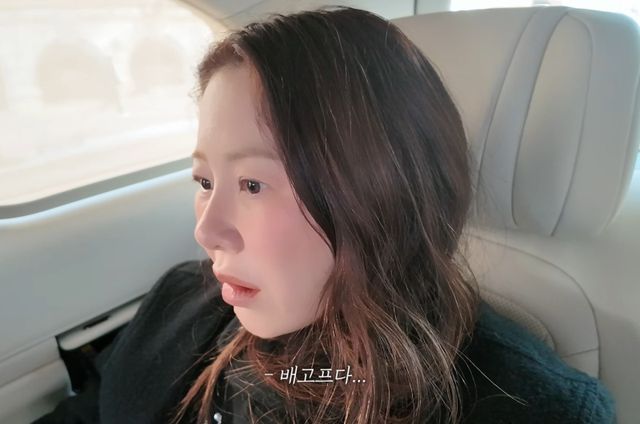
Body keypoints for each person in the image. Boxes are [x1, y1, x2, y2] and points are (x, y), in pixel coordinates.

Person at [34, 7, 616, 424]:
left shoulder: (522, 405)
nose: (206, 231)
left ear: (380, 194)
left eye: (253, 184)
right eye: (204, 182)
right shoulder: (180, 302)